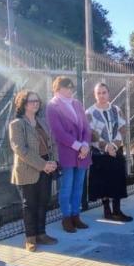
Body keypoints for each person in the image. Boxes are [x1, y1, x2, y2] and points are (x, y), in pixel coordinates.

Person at [9, 90, 60, 251]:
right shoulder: (17, 124)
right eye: (31, 101)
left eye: (37, 100)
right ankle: (30, 238)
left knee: (43, 202)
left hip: (46, 167)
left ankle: (41, 233)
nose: (35, 103)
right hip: (28, 168)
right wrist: (42, 165)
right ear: (23, 104)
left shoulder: (42, 122)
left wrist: (53, 162)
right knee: (29, 204)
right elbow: (20, 150)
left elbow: (52, 143)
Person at [46, 76, 91, 233]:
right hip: (67, 152)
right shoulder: (53, 106)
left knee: (78, 186)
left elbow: (86, 127)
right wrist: (79, 146)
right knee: (67, 186)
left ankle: (76, 216)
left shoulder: (77, 104)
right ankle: (66, 218)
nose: (70, 90)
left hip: (82, 152)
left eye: (72, 87)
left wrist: (85, 144)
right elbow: (59, 132)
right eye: (67, 87)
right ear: (57, 89)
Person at [86, 82, 132, 222]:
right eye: (98, 93)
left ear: (108, 93)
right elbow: (91, 134)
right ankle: (107, 211)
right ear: (95, 95)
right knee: (103, 181)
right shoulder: (89, 113)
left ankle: (117, 211)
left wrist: (114, 145)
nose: (102, 95)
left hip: (116, 150)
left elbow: (123, 127)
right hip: (100, 153)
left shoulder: (116, 109)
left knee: (117, 180)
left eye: (104, 92)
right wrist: (106, 147)